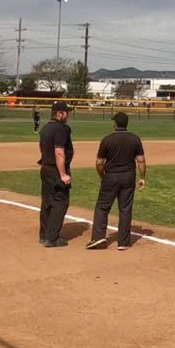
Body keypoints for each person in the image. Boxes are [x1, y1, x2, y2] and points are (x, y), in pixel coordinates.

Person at [87, 112, 146, 251]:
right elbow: (141, 160)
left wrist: (102, 176)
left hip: (111, 176)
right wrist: (142, 177)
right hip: (129, 176)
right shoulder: (135, 139)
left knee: (102, 207)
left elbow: (99, 163)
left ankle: (98, 237)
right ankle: (123, 242)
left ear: (115, 124)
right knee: (125, 208)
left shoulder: (107, 140)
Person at [37, 102, 74, 247]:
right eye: (66, 112)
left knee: (47, 202)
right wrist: (63, 174)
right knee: (60, 202)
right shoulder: (62, 129)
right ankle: (52, 238)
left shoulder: (45, 128)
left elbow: (42, 147)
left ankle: (44, 235)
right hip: (56, 170)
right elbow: (59, 152)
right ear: (59, 113)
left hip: (46, 168)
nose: (68, 115)